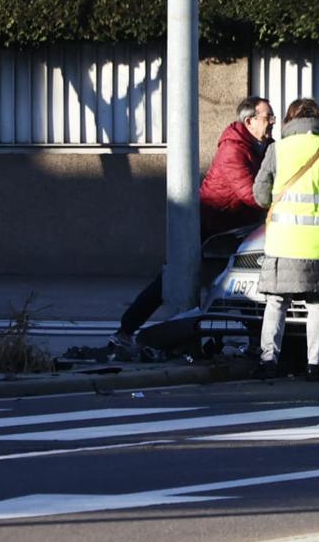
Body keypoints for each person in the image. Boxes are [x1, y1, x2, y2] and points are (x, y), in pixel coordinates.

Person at [109, 96, 275, 351]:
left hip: (234, 229)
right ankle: (127, 329)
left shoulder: (264, 146)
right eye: (268, 117)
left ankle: (248, 341)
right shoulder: (234, 149)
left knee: (239, 282)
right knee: (175, 278)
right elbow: (251, 195)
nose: (273, 122)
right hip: (209, 226)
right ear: (250, 121)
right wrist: (283, 200)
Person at [252, 98, 319, 381]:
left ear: (290, 121)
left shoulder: (278, 150)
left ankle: (268, 361)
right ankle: (314, 365)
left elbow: (261, 196)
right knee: (318, 305)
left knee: (276, 303)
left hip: (283, 243)